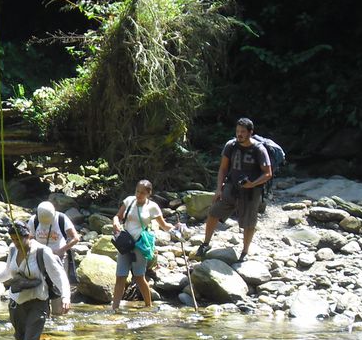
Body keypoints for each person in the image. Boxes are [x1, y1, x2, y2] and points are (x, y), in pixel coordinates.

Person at [0, 220, 70, 340]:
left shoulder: (42, 252)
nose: (16, 243)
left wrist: (66, 297)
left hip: (38, 301)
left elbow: (58, 275)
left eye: (18, 239)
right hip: (16, 301)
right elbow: (7, 272)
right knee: (21, 338)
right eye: (13, 239)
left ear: (28, 236)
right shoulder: (12, 250)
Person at [197, 117, 273, 262]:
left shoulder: (259, 149)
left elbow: (268, 173)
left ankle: (244, 252)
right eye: (238, 131)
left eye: (243, 132)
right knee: (213, 212)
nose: (239, 134)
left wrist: (253, 183)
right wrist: (219, 189)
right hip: (231, 186)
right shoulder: (231, 145)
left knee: (249, 222)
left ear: (250, 132)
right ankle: (205, 244)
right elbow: (223, 168)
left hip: (252, 191)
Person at [111, 180, 180, 312]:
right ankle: (114, 309)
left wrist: (176, 229)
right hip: (125, 243)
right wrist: (115, 222)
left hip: (140, 245)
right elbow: (118, 216)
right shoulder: (129, 201)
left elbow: (164, 226)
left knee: (139, 276)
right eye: (137, 191)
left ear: (149, 193)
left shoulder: (152, 207)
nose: (139, 195)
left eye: (142, 193)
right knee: (120, 276)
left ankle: (148, 306)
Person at [29, 201, 80, 284]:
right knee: (42, 282)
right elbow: (29, 239)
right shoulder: (34, 220)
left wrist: (61, 250)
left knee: (61, 281)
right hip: (40, 256)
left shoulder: (61, 219)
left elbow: (75, 238)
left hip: (60, 256)